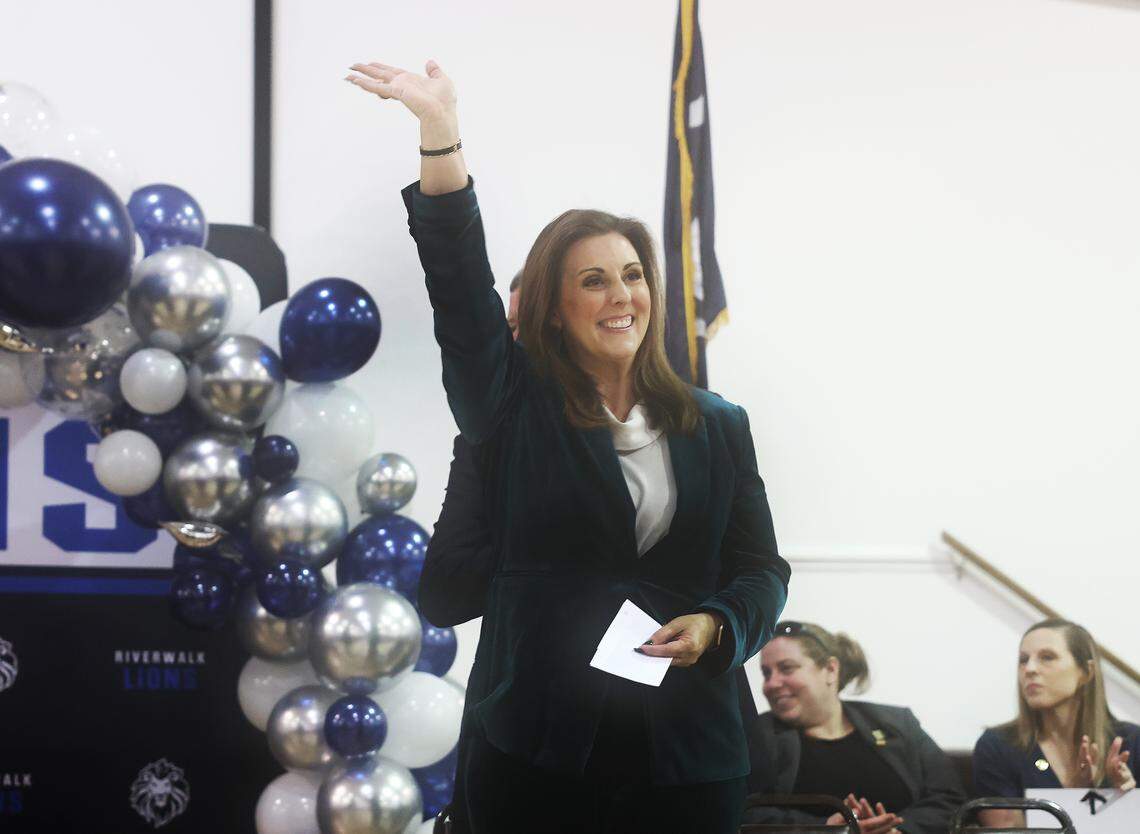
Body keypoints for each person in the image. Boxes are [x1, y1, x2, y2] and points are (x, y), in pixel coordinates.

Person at [347, 58, 791, 834]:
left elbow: (761, 570)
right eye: (593, 281)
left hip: (688, 757)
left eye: (631, 275)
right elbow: (456, 285)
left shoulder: (718, 424)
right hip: (540, 753)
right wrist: (440, 135)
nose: (621, 296)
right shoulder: (511, 409)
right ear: (551, 308)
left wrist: (719, 625)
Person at [743, 621, 964, 834]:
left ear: (830, 669)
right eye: (766, 673)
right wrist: (826, 829)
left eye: (786, 668)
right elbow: (742, 811)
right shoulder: (757, 736)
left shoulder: (898, 723)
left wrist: (897, 829)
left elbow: (949, 799)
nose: (771, 683)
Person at [972, 618, 1137, 828]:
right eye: (1023, 660)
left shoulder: (1132, 742)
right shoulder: (998, 745)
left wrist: (1124, 801)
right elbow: (1007, 833)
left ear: (1086, 672)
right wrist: (1074, 797)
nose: (1029, 669)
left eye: (1047, 657)